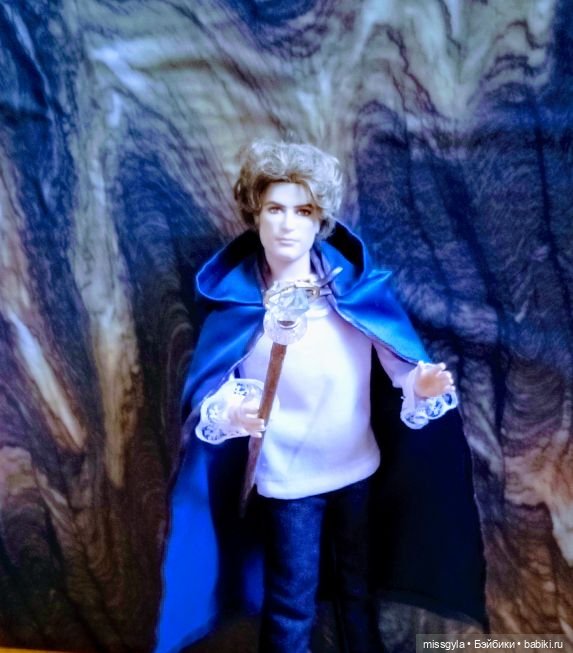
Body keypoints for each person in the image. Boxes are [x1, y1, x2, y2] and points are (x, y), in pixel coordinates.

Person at [155, 141, 485, 653]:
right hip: (288, 478)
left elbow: (397, 357)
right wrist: (234, 411)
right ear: (255, 215)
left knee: (359, 589)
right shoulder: (239, 305)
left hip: (356, 467)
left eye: (303, 210)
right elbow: (211, 390)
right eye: (275, 209)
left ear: (320, 220)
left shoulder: (352, 291)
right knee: (292, 601)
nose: (288, 224)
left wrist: (419, 385)